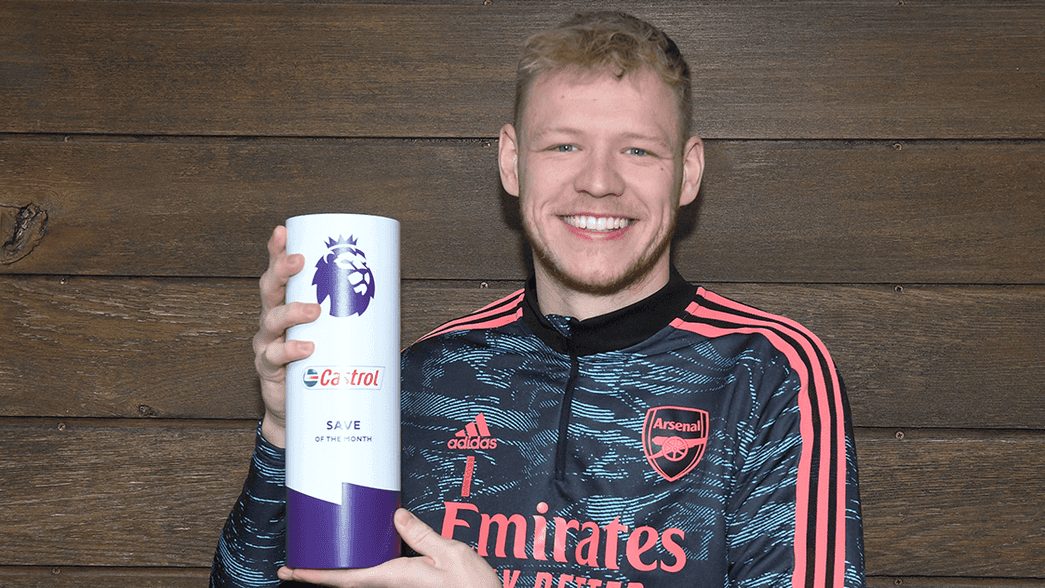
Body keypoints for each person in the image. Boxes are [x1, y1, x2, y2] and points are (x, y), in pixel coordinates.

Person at [212, 10, 865, 588]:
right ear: (511, 161)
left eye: (638, 150)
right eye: (564, 146)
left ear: (687, 172)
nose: (599, 182)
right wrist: (287, 435)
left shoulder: (768, 371)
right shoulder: (423, 376)